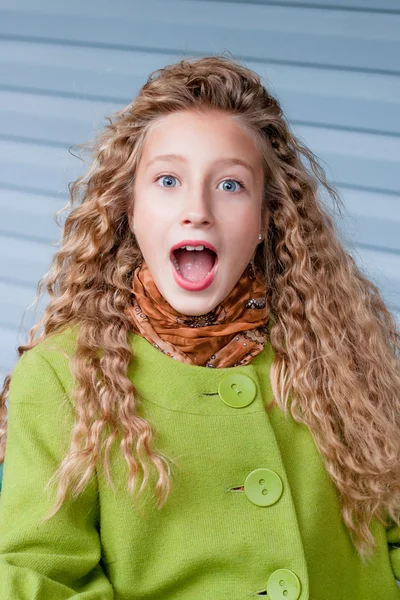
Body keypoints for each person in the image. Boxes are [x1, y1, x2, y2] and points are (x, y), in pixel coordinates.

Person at [0, 54, 399, 600]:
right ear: (129, 208)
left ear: (266, 218)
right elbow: (37, 576)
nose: (198, 210)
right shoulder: (62, 377)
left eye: (231, 185)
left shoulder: (342, 352)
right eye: (168, 180)